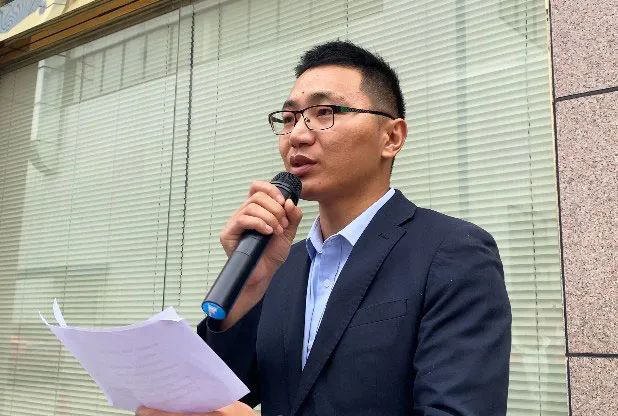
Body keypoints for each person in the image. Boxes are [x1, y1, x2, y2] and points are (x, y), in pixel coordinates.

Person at [137, 40, 511, 416]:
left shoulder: (452, 251)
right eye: (289, 119)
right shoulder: (279, 265)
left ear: (391, 137)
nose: (297, 135)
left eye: (325, 112)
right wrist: (247, 290)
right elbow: (218, 393)